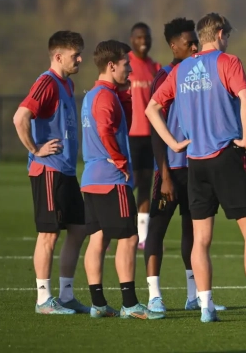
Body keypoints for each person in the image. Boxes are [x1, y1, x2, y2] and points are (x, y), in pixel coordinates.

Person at [146, 12, 246, 323]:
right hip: (226, 156)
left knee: (201, 239)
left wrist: (173, 143)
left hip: (195, 162)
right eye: (228, 36)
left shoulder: (181, 69)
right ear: (221, 34)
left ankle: (205, 307)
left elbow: (151, 108)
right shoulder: (228, 62)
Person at [144, 17, 226, 313]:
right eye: (188, 43)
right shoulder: (165, 76)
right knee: (157, 230)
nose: (194, 47)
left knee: (192, 233)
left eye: (195, 42)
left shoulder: (198, 72)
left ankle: (195, 296)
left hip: (196, 167)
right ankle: (154, 296)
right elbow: (155, 129)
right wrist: (164, 173)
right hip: (171, 169)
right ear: (172, 46)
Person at [81, 40, 164, 320]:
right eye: (126, 64)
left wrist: (126, 96)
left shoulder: (93, 95)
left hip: (91, 178)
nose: (130, 69)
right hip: (111, 179)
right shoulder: (105, 96)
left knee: (98, 239)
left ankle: (98, 304)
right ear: (111, 65)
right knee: (129, 237)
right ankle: (130, 303)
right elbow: (105, 130)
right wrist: (119, 160)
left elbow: (118, 124)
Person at [13, 31, 89, 315]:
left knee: (79, 229)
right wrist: (36, 149)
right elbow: (20, 117)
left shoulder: (67, 84)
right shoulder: (47, 82)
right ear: (58, 56)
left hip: (66, 170)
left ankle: (66, 296)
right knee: (49, 235)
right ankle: (43, 299)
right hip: (48, 169)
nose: (79, 60)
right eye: (75, 55)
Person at [128, 22, 162, 249]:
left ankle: (142, 237)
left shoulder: (155, 67)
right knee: (127, 183)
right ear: (132, 39)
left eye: (147, 37)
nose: (143, 41)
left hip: (150, 135)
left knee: (146, 184)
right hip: (130, 135)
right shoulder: (125, 64)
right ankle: (106, 229)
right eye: (139, 37)